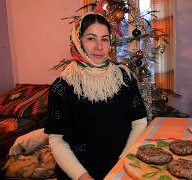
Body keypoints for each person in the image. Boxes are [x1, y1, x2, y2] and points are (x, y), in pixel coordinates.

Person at [44, 12, 148, 180]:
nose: (99, 47)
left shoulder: (124, 78)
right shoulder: (62, 86)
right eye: (91, 38)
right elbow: (57, 140)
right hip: (78, 172)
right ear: (78, 41)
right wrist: (83, 177)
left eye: (105, 39)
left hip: (122, 166)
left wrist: (122, 163)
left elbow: (139, 122)